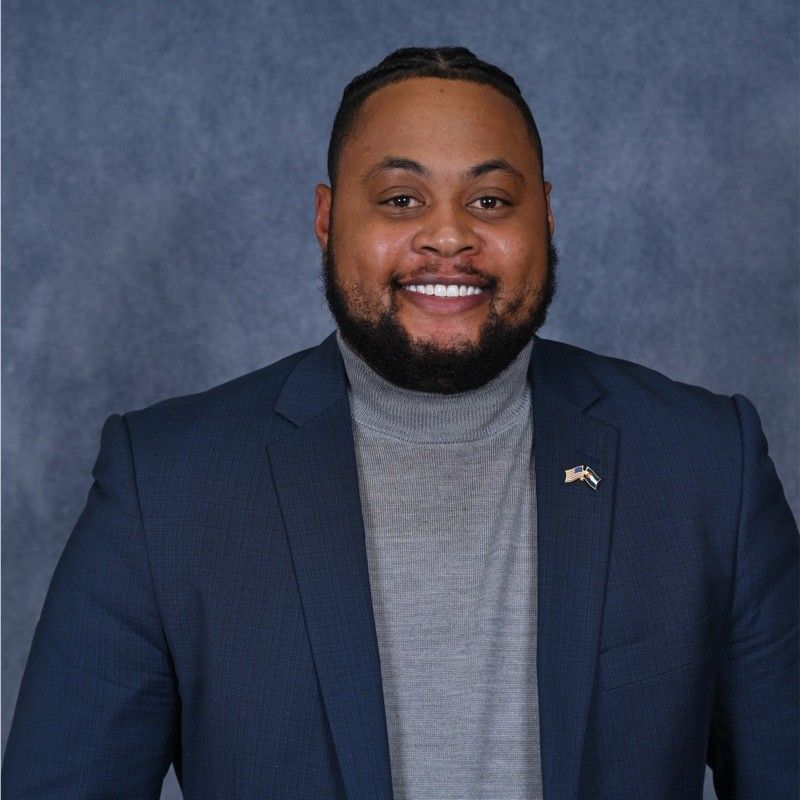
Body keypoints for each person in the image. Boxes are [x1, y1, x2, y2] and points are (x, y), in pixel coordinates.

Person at [3, 46, 797, 800]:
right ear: (326, 218)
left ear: (546, 218)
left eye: (490, 200)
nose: (448, 235)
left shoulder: (704, 465)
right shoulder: (166, 484)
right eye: (399, 199)